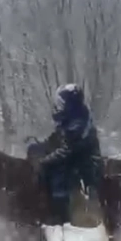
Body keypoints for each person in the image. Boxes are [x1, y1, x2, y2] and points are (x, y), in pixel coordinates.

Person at [32, 83, 102, 224]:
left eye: (61, 103)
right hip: (74, 157)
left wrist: (44, 161)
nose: (58, 107)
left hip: (83, 163)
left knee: (59, 175)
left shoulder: (78, 123)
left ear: (69, 104)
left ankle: (61, 212)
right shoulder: (69, 121)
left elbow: (67, 150)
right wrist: (37, 147)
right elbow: (56, 140)